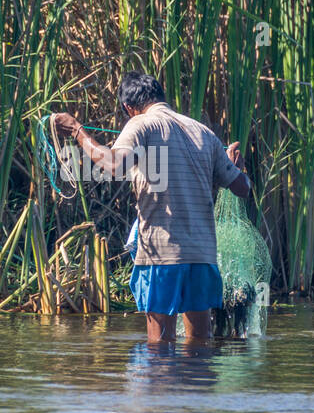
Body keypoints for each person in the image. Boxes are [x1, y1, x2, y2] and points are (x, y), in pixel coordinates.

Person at [53, 73, 250, 342]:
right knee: (199, 348)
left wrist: (78, 131)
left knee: (159, 351)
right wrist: (234, 167)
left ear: (128, 108)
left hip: (162, 257)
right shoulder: (204, 132)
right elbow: (243, 188)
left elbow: (112, 165)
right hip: (202, 257)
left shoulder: (140, 125)